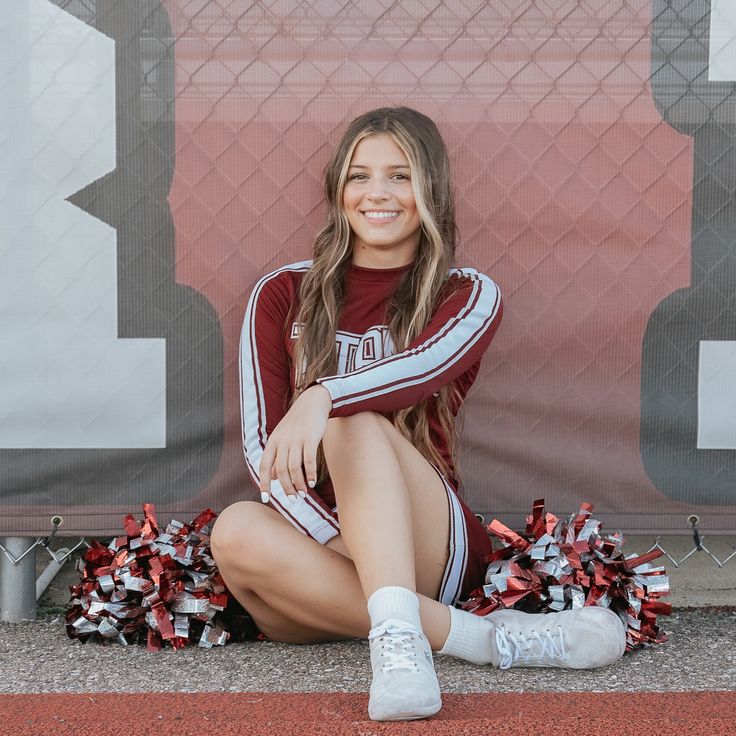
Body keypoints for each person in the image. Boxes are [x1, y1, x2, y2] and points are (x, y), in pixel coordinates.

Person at [211, 107, 626, 722]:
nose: (376, 193)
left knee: (352, 420)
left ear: (430, 189)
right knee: (235, 531)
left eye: (399, 176)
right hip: (315, 552)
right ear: (337, 190)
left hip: (427, 541)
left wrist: (324, 394)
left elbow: (425, 368)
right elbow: (260, 449)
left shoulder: (468, 292)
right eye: (359, 176)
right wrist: (346, 544)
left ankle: (402, 632)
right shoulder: (280, 293)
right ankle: (484, 640)